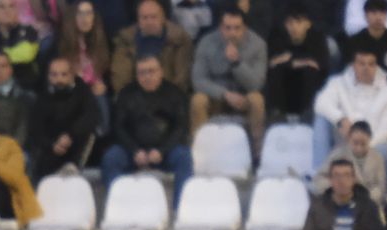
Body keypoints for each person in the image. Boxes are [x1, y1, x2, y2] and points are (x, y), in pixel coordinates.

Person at [102, 54, 194, 204]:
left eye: (151, 71)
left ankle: (181, 208)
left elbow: (181, 127)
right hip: (133, 152)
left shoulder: (175, 93)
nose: (147, 76)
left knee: (184, 157)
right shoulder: (126, 94)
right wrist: (134, 150)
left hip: (165, 151)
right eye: (142, 72)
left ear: (161, 72)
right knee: (111, 157)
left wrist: (161, 150)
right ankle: (117, 206)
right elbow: (118, 127)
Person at [189, 8, 267, 149]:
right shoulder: (206, 43)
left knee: (257, 99)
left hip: (244, 98)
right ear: (220, 28)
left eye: (237, 28)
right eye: (228, 28)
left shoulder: (258, 45)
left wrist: (237, 63)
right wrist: (225, 95)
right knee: (198, 100)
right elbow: (198, 80)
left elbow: (257, 84)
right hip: (216, 98)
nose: (232, 33)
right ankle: (199, 150)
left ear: (245, 28)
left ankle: (257, 153)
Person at [312, 48, 387, 171]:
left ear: (377, 67)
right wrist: (340, 119)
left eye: (371, 64)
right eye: (361, 63)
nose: (366, 68)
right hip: (342, 140)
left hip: (370, 145)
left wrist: (362, 144)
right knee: (321, 119)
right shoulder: (338, 83)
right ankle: (320, 174)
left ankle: (378, 188)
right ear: (353, 65)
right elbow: (320, 103)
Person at [27, 56, 99, 180]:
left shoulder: (82, 90)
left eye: (63, 74)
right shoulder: (42, 95)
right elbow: (36, 128)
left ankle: (74, 167)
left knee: (88, 133)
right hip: (51, 146)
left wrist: (69, 135)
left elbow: (90, 117)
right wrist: (52, 145)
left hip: (76, 143)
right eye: (54, 75)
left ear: (72, 75)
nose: (58, 79)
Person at [110, 0, 194, 93]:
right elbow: (120, 76)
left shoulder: (179, 39)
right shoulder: (125, 39)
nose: (149, 22)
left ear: (163, 18)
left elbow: (182, 78)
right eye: (144, 17)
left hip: (170, 96)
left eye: (154, 17)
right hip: (134, 96)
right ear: (138, 19)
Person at [264, 5, 327, 120]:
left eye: (298, 22)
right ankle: (277, 113)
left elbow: (320, 65)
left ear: (308, 23)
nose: (294, 27)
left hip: (307, 83)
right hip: (284, 82)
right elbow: (271, 64)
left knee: (310, 72)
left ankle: (308, 113)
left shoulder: (317, 38)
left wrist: (288, 61)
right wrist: (304, 61)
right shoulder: (277, 37)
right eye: (290, 23)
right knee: (276, 72)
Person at [311, 120, 386, 206]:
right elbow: (319, 179)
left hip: (366, 203)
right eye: (355, 143)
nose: (359, 148)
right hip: (338, 201)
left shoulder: (377, 158)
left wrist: (365, 198)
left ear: (369, 139)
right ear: (349, 139)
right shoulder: (338, 154)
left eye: (363, 144)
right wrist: (338, 189)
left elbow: (380, 187)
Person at [347, 0, 387, 97]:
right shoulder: (354, 43)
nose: (378, 17)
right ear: (366, 16)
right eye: (374, 12)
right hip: (358, 92)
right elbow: (346, 72)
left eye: (382, 13)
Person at [0, 0, 40, 89]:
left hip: (25, 89)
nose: (7, 11)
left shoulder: (29, 31)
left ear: (17, 10)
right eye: (1, 7)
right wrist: (9, 59)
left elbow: (26, 54)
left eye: (11, 6)